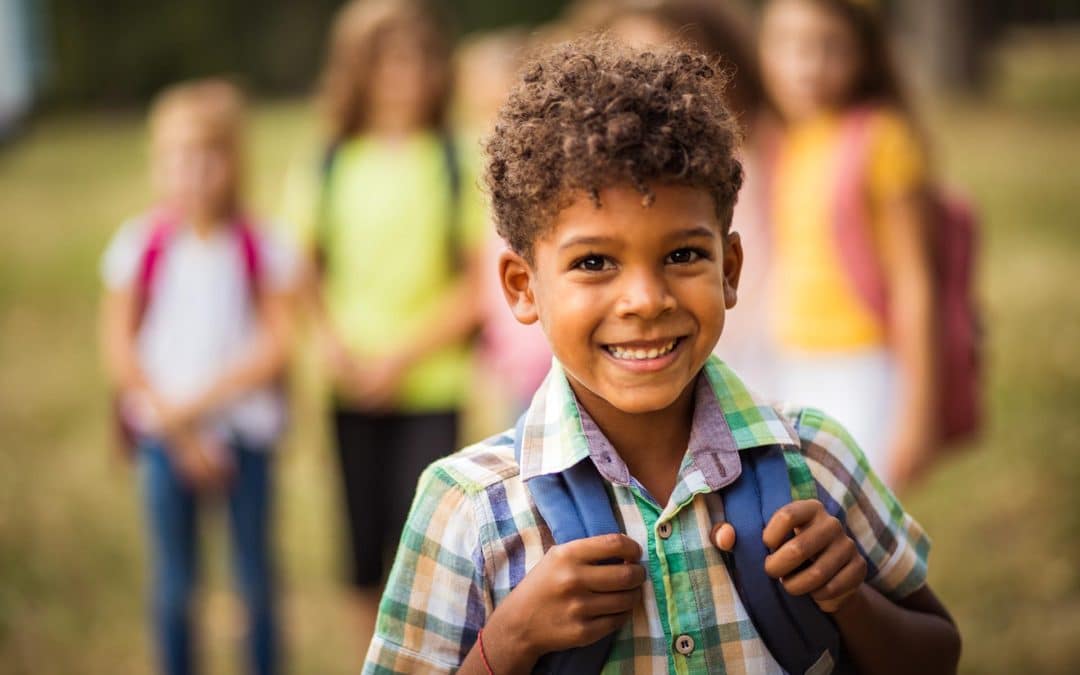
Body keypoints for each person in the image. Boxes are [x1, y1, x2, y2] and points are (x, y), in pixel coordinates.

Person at [363, 37, 961, 674]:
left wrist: (848, 599)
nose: (646, 300)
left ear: (730, 268)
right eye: (594, 263)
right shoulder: (471, 508)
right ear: (521, 286)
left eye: (682, 255)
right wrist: (508, 643)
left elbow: (938, 653)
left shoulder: (813, 458)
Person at [279, 0, 485, 653]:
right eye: (387, 59)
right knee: (362, 549)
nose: (405, 73)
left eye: (419, 57)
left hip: (431, 385)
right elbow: (302, 270)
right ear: (357, 69)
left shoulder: (454, 160)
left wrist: (401, 356)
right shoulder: (331, 160)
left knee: (425, 550)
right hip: (349, 385)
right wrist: (336, 347)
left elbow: (479, 281)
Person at [99, 79, 298, 675]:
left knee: (255, 578)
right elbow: (119, 348)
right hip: (165, 443)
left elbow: (278, 343)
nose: (191, 172)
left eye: (207, 155)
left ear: (233, 161)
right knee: (175, 581)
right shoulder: (140, 246)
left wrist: (203, 405)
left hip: (246, 442)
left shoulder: (263, 245)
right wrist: (181, 430)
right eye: (176, 158)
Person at [757, 0, 938, 488]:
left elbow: (914, 281)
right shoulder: (791, 138)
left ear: (864, 54)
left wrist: (917, 412)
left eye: (828, 47)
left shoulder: (884, 139)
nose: (806, 66)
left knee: (855, 532)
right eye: (788, 45)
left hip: (863, 365)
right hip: (793, 360)